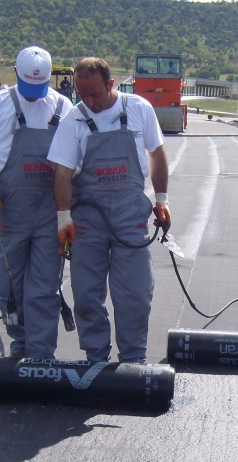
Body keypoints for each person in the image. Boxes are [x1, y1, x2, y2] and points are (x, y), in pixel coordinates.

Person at [48, 57, 171, 364]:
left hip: (130, 215)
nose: (89, 102)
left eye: (95, 94)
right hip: (88, 217)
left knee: (135, 293)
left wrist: (162, 199)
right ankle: (96, 359)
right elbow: (62, 172)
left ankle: (133, 359)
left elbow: (157, 154)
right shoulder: (74, 119)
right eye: (82, 95)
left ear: (110, 84)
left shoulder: (139, 108)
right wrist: (63, 218)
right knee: (86, 293)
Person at [0, 46, 73, 359]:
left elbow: (72, 161)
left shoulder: (63, 106)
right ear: (16, 73)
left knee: (45, 285)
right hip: (12, 208)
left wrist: (67, 214)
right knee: (9, 282)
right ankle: (20, 341)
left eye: (38, 88)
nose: (33, 95)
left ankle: (41, 350)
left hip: (50, 211)